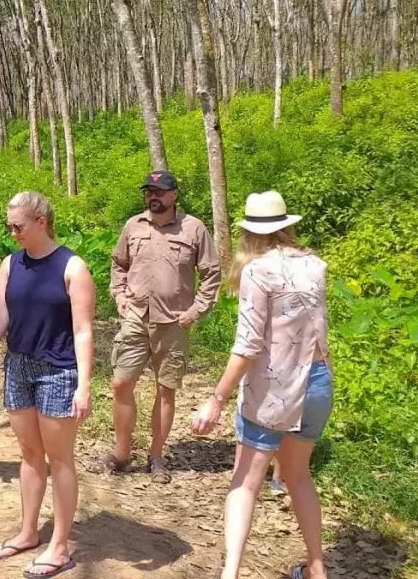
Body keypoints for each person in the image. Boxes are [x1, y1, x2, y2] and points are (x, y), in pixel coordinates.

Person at [0, 192, 95, 579]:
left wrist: (84, 384)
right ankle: (29, 532)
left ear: (41, 222)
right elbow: (0, 320)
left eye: (19, 226)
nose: (12, 232)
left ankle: (59, 546)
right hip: (18, 367)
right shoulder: (10, 264)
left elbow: (83, 330)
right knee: (30, 453)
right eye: (9, 225)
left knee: (59, 458)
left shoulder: (72, 267)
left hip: (58, 370)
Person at [190, 191, 331, 579]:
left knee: (245, 483)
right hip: (317, 381)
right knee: (298, 475)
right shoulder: (316, 265)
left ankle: (230, 573)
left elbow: (248, 346)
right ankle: (317, 567)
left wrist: (216, 398)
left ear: (249, 232)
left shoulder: (257, 271)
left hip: (273, 388)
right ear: (287, 225)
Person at [95, 169, 221, 483]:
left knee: (165, 391)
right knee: (121, 383)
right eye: (149, 191)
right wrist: (119, 295)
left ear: (174, 194)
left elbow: (211, 274)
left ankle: (156, 456)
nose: (154, 196)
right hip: (136, 316)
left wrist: (195, 311)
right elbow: (118, 264)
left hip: (175, 322)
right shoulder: (133, 226)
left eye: (160, 191)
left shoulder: (193, 229)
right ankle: (122, 454)